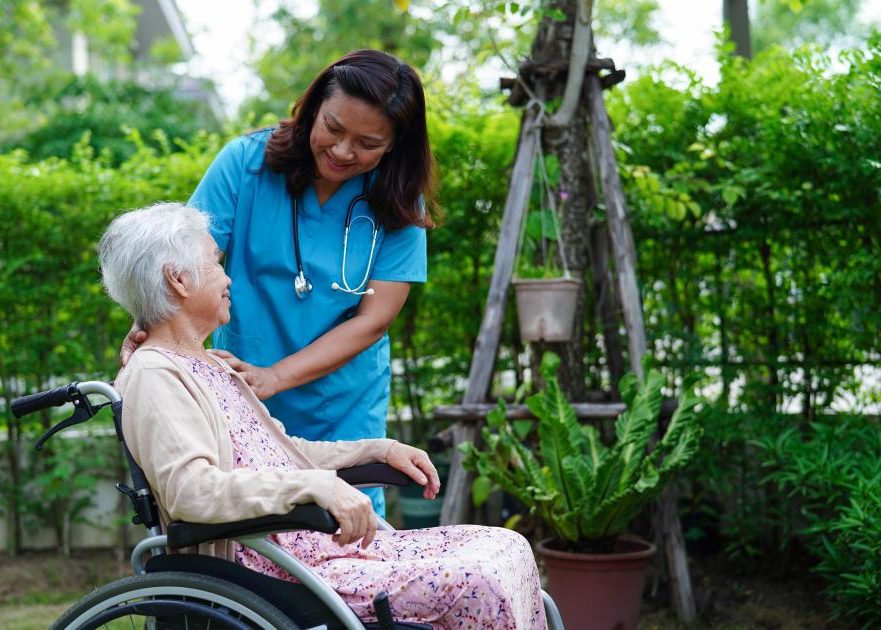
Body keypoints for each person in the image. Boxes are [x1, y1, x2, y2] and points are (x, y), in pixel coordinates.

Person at [101, 203, 547, 629]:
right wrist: (316, 486)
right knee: (478, 581)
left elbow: (287, 453)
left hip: (316, 553)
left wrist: (379, 449)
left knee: (505, 544)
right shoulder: (155, 375)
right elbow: (192, 492)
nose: (227, 277)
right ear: (178, 280)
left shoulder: (213, 365)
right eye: (216, 263)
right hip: (281, 571)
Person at [120, 49, 439, 517]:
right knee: (251, 519)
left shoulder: (398, 200)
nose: (344, 151)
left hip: (342, 400)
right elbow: (185, 264)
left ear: (394, 145)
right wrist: (153, 325)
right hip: (239, 391)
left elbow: (373, 320)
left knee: (349, 522)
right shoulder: (246, 165)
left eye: (368, 142)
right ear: (313, 110)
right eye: (333, 128)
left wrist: (277, 377)